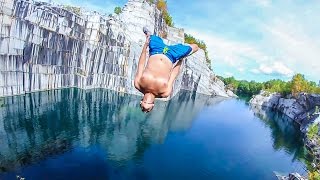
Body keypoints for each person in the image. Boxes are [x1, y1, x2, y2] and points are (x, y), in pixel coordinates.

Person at [134, 27, 199, 113]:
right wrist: (181, 60)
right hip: (172, 55)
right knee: (195, 47)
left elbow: (141, 64)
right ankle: (184, 46)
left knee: (150, 37)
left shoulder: (138, 84)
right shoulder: (164, 93)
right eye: (148, 102)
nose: (147, 99)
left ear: (141, 101)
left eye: (144, 101)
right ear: (153, 104)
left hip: (156, 50)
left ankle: (148, 34)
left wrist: (145, 46)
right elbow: (173, 75)